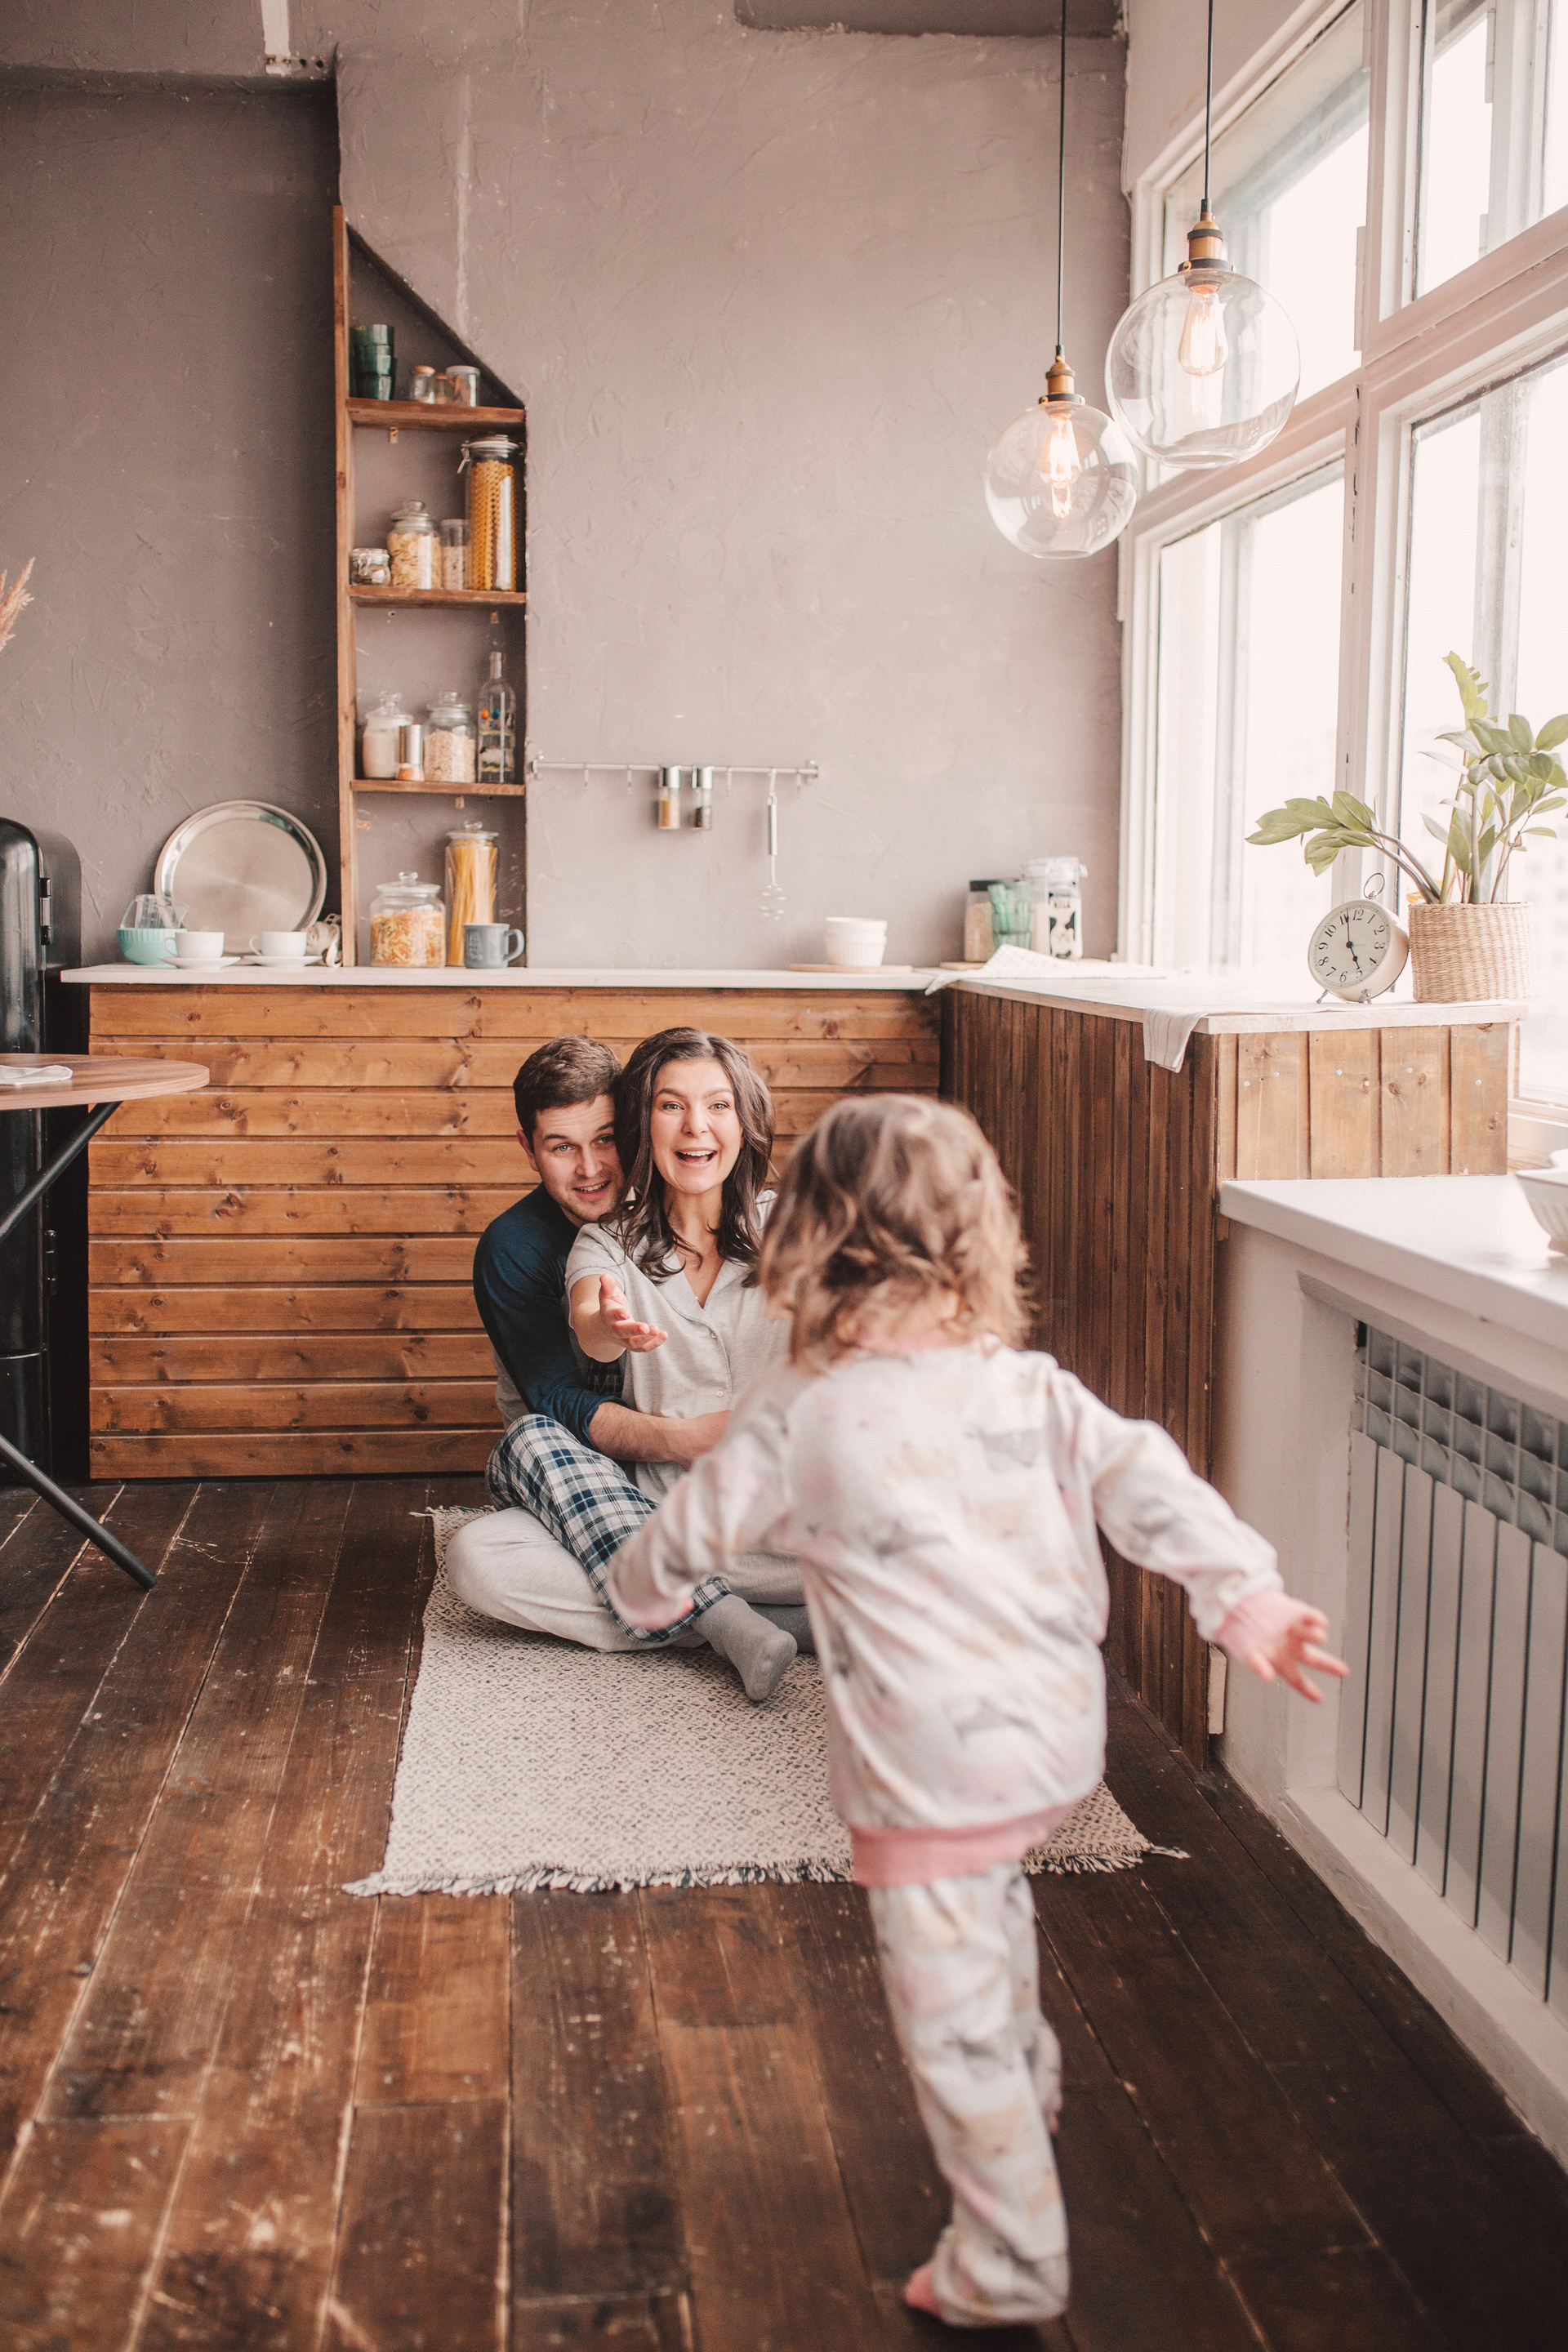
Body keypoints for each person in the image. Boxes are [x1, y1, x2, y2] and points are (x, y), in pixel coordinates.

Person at [603, 1094, 1348, 2330]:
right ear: (978, 1245)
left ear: (809, 1249)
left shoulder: (800, 1407)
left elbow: (685, 1535)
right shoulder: (1031, 1388)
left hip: (925, 1768)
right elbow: (1149, 1478)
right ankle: (1026, 2073)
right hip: (1054, 1744)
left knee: (943, 2011)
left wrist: (641, 1589)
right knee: (991, 1892)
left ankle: (1007, 2259)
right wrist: (1244, 1598)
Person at [449, 1028, 807, 1698]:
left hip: (762, 1522)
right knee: (488, 1544)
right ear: (529, 1149)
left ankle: (704, 1609)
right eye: (562, 1147)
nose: (590, 1169)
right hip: (602, 1488)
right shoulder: (557, 1247)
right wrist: (609, 1333)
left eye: (606, 1140)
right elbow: (565, 1393)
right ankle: (745, 1621)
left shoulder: (792, 1224)